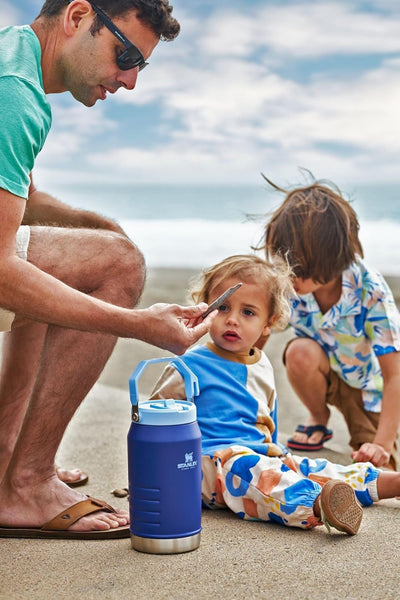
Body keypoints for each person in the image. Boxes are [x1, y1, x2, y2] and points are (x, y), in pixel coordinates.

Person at [0, 0, 215, 540]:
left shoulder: (13, 60)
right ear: (77, 17)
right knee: (115, 268)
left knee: (96, 259)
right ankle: (26, 483)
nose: (129, 81)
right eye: (124, 55)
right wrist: (139, 323)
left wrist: (100, 225)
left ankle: (7, 463)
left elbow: (20, 199)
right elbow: (2, 270)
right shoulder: (14, 94)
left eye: (140, 65)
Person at [150, 254, 400, 535]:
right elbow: (152, 424)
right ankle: (318, 503)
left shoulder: (262, 365)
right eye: (222, 308)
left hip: (259, 456)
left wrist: (282, 458)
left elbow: (267, 421)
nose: (232, 320)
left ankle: (388, 483)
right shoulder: (187, 365)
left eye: (248, 312)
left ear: (268, 324)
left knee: (306, 466)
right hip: (208, 467)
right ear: (204, 309)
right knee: (249, 468)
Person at [261, 176, 400, 471]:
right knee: (299, 350)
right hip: (322, 368)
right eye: (287, 265)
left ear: (335, 259)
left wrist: (383, 445)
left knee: (377, 468)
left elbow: (395, 376)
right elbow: (259, 332)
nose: (292, 278)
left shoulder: (369, 290)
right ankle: (318, 416)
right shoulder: (290, 283)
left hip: (366, 388)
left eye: (303, 270)